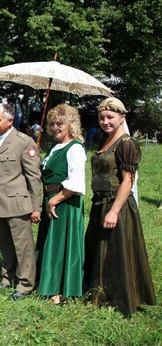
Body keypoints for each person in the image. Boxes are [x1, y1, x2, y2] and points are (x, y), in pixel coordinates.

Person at [83, 97, 156, 315]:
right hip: (100, 203)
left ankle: (120, 297)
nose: (105, 121)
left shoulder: (126, 143)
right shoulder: (104, 141)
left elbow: (128, 180)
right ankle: (99, 293)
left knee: (116, 252)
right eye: (101, 117)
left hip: (117, 205)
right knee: (100, 251)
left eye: (110, 117)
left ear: (122, 117)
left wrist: (114, 210)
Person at [0, 103, 42, 301]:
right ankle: (7, 278)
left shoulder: (23, 142)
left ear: (10, 121)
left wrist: (36, 207)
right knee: (5, 245)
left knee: (23, 246)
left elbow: (33, 177)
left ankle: (26, 284)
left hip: (17, 204)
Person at [35, 104, 86, 305]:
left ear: (71, 125)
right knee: (51, 242)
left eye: (60, 123)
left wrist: (55, 200)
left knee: (61, 244)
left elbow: (76, 181)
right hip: (51, 200)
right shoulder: (55, 147)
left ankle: (60, 291)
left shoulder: (75, 148)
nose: (55, 127)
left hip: (64, 201)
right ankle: (48, 285)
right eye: (53, 123)